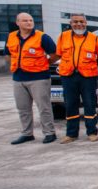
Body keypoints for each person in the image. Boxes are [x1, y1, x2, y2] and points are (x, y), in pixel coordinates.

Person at [4, 12, 59, 145]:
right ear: (17, 23)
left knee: (44, 107)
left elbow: (55, 54)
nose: (29, 23)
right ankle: (27, 133)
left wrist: (45, 63)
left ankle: (49, 132)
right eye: (25, 21)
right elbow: (7, 54)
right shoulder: (11, 37)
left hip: (39, 77)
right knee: (23, 108)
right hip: (18, 78)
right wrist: (15, 64)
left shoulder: (42, 37)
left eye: (30, 20)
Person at [56, 13, 98, 144]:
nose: (79, 24)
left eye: (81, 21)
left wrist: (87, 65)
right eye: (75, 22)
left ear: (86, 23)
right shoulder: (63, 37)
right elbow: (58, 54)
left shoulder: (94, 38)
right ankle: (71, 134)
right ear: (70, 23)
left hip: (88, 76)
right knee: (70, 104)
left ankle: (92, 132)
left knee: (90, 104)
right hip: (68, 76)